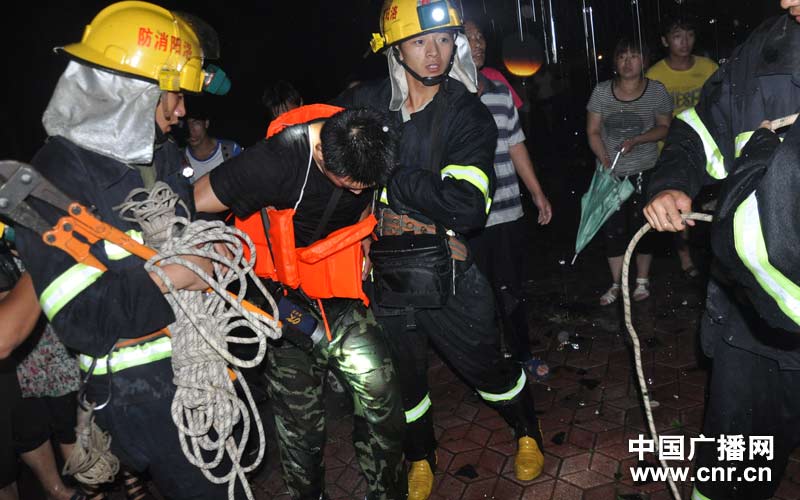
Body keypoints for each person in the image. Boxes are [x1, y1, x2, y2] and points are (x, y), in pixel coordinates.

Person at [13, 2, 233, 498]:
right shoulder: (52, 181)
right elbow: (82, 317)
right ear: (128, 91)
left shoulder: (157, 153)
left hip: (194, 373)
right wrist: (178, 274)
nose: (181, 109)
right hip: (142, 396)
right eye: (171, 92)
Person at [334, 1, 545, 498]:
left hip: (446, 264)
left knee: (486, 365)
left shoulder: (467, 112)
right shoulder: (365, 103)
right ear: (395, 48)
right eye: (421, 42)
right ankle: (420, 456)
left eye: (447, 40)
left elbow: (466, 206)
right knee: (404, 377)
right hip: (384, 268)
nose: (436, 53)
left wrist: (386, 173)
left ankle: (527, 430)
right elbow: (332, 167)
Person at [194, 106, 406, 500]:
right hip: (282, 301)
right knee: (300, 430)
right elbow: (196, 199)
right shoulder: (276, 161)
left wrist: (363, 240)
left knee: (385, 405)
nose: (358, 191)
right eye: (348, 182)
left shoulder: (374, 139)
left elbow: (365, 202)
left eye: (366, 184)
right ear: (323, 153)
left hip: (340, 295)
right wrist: (211, 255)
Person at [643, 1, 800, 497]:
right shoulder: (766, 46)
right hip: (751, 323)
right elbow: (700, 128)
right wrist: (669, 182)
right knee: (733, 465)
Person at [463, 18, 553, 381]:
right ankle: (484, 364)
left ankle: (522, 355)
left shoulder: (500, 93)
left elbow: (516, 145)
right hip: (467, 220)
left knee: (512, 289)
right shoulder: (443, 98)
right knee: (475, 296)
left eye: (481, 37)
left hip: (508, 210)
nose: (478, 43)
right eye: (469, 38)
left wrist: (536, 192)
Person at [586, 37, 673, 306]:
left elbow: (664, 127)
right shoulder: (601, 92)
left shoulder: (656, 91)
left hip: (645, 170)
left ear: (644, 61)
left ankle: (642, 281)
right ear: (615, 61)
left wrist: (638, 139)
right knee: (612, 230)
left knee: (643, 226)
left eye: (634, 56)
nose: (627, 62)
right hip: (610, 173)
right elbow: (593, 131)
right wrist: (604, 159)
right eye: (622, 56)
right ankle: (617, 284)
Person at [646, 14, 718, 280]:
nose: (684, 42)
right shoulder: (655, 75)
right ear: (665, 41)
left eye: (689, 35)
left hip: (709, 153)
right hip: (670, 154)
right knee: (678, 208)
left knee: (713, 208)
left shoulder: (709, 68)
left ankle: (716, 261)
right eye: (677, 36)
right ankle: (685, 258)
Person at [182, 104, 242, 183]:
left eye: (196, 123)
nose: (191, 130)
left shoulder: (231, 150)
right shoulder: (180, 157)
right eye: (187, 125)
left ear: (206, 123)